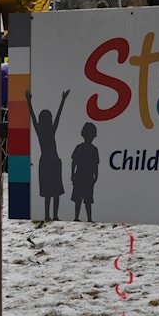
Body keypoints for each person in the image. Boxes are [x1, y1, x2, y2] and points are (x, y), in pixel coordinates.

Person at [25, 88, 69, 221]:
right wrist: (28, 102)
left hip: (53, 162)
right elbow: (33, 117)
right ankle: (48, 215)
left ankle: (53, 215)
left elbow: (57, 117)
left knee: (54, 193)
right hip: (48, 163)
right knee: (50, 193)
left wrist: (63, 100)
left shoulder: (48, 132)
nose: (50, 120)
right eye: (48, 119)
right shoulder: (43, 133)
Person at [71, 122, 99, 222]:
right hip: (80, 175)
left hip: (87, 176)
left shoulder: (93, 149)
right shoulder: (81, 148)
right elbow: (74, 162)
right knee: (79, 199)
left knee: (87, 200)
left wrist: (96, 176)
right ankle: (77, 217)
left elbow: (95, 165)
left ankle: (89, 218)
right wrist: (72, 174)